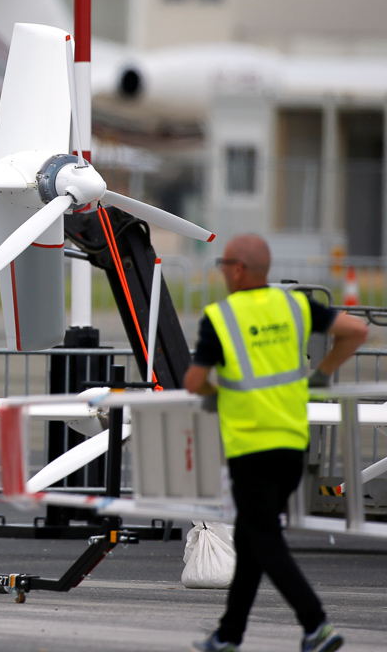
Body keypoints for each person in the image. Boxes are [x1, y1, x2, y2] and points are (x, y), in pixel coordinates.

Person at [187, 234, 367, 652]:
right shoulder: (295, 305)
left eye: (224, 264)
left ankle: (315, 624)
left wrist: (217, 396)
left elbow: (194, 382)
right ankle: (228, 635)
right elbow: (355, 331)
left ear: (238, 269)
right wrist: (322, 373)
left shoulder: (222, 316)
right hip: (291, 443)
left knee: (264, 538)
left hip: (250, 447)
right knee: (251, 542)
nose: (222, 271)